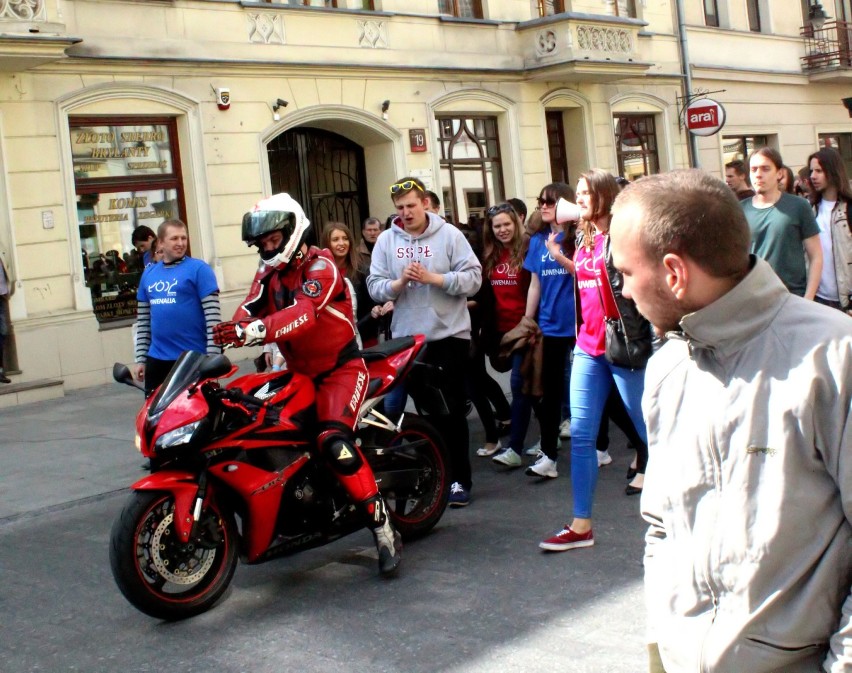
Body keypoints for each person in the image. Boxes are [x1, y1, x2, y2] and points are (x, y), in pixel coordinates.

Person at [609, 168, 852, 673]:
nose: (623, 292)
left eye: (625, 273)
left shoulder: (834, 356)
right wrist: (662, 649)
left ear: (674, 272)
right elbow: (661, 527)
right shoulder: (666, 369)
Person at [212, 193, 402, 576]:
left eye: (273, 238)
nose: (268, 246)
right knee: (255, 420)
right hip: (298, 370)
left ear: (293, 230)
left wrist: (255, 330)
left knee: (333, 442)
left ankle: (383, 529)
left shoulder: (322, 266)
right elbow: (249, 308)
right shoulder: (268, 273)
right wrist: (231, 331)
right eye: (262, 242)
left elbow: (303, 315)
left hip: (341, 368)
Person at [538, 169, 651, 552]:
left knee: (650, 430)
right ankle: (581, 524)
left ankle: (684, 510)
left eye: (586, 192)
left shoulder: (622, 237)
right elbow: (587, 281)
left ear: (603, 196)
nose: (579, 198)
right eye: (579, 193)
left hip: (622, 345)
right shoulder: (584, 237)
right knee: (583, 436)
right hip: (588, 346)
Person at [367, 177, 482, 507]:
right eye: (400, 208)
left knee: (451, 413)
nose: (405, 213)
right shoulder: (389, 241)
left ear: (426, 204)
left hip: (448, 336)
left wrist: (435, 279)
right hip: (408, 339)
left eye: (411, 206)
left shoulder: (448, 235)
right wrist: (398, 283)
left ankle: (461, 480)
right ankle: (438, 477)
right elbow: (374, 285)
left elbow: (473, 280)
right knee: (426, 416)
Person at [521, 182, 577, 480]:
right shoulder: (537, 240)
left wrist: (558, 254)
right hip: (550, 327)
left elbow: (583, 273)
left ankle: (604, 446)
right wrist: (527, 323)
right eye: (540, 200)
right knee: (549, 394)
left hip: (580, 326)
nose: (543, 205)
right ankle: (549, 456)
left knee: (596, 391)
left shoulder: (577, 238)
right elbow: (535, 284)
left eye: (550, 201)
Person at [133, 220, 221, 395]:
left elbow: (214, 319)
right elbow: (143, 322)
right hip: (157, 360)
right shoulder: (148, 274)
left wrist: (213, 358)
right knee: (156, 418)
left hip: (193, 359)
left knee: (194, 417)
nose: (180, 243)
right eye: (174, 238)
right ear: (160, 242)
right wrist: (140, 359)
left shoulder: (199, 269)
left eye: (183, 238)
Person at [479, 203, 532, 467]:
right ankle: (550, 437)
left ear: (516, 224)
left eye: (506, 224)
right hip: (500, 331)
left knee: (518, 387)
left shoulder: (528, 249)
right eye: (497, 226)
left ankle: (515, 449)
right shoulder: (489, 255)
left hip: (525, 329)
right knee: (533, 391)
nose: (502, 230)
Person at [742, 147, 823, 299]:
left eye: (765, 169)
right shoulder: (740, 209)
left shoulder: (799, 206)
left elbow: (816, 255)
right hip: (753, 300)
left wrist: (808, 298)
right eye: (754, 170)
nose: (758, 174)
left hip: (792, 297)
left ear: (779, 173)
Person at [808, 147, 852, 314]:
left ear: (833, 171)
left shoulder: (849, 208)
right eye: (812, 171)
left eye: (819, 170)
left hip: (846, 302)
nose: (813, 176)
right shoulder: (810, 209)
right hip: (819, 298)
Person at [0, 240, 14, 384]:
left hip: (2, 296)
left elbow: (7, 267)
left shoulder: (1, 247)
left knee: (3, 333)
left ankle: (0, 371)